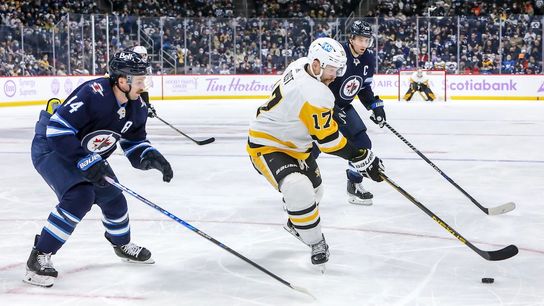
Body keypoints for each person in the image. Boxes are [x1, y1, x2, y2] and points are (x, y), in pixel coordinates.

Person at [25, 50, 174, 288]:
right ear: (122, 80)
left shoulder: (138, 106)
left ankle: (122, 244)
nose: (144, 84)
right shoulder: (93, 93)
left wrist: (151, 157)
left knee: (113, 197)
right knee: (80, 196)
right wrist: (85, 160)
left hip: (85, 153)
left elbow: (134, 143)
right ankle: (39, 256)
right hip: (52, 147)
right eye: (139, 80)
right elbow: (57, 131)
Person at [247, 37, 385, 268]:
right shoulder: (315, 94)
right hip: (267, 144)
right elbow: (329, 142)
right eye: (332, 69)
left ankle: (297, 222)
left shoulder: (300, 64)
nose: (336, 75)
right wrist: (361, 157)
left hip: (297, 145)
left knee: (315, 191)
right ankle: (316, 242)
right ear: (318, 64)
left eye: (339, 69)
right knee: (297, 187)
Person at [324, 20, 387, 206]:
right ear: (351, 38)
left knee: (363, 144)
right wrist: (329, 107)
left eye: (367, 40)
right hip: (323, 108)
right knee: (313, 150)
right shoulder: (338, 54)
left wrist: (375, 106)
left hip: (344, 107)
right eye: (360, 40)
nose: (364, 44)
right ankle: (298, 194)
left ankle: (354, 185)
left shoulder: (368, 58)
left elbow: (363, 88)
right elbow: (320, 83)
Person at [132, 45, 157, 117]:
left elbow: (144, 88)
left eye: (144, 55)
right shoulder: (128, 66)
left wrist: (147, 104)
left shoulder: (147, 67)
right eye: (140, 55)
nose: (143, 57)